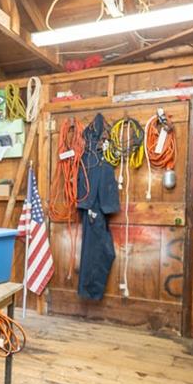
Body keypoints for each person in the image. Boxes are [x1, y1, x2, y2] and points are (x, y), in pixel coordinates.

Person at [77, 113, 120, 300]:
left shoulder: (105, 155)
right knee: (96, 251)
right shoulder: (89, 156)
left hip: (100, 207)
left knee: (103, 251)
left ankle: (90, 290)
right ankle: (89, 290)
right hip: (93, 208)